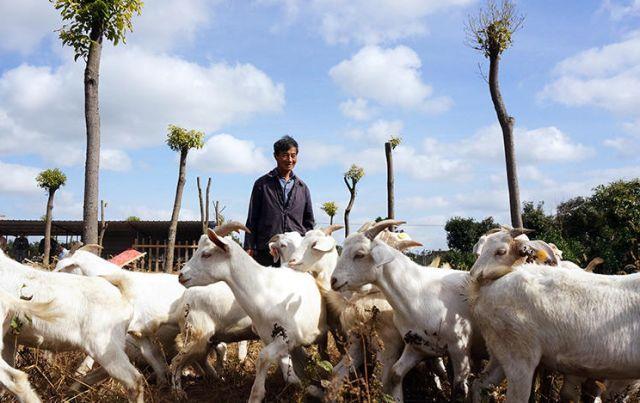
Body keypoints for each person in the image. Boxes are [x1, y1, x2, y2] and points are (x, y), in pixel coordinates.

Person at [244, 136, 315, 266]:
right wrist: (249, 246)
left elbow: (308, 222)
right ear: (276, 156)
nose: (290, 160)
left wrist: (305, 246)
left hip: (294, 253)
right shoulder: (262, 184)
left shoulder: (302, 188)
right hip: (267, 251)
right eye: (285, 155)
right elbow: (252, 218)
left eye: (293, 156)